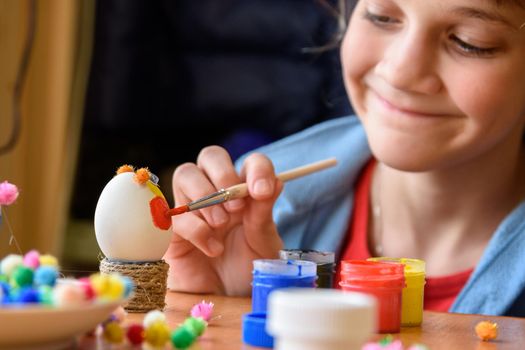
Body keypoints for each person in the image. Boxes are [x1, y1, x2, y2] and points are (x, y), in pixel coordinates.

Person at [163, 0, 525, 317]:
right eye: (382, 16)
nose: (401, 72)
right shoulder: (254, 208)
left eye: (469, 42)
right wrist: (228, 310)